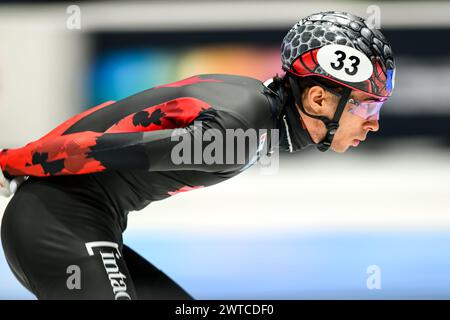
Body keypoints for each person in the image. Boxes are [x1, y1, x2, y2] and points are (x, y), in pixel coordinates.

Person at [0, 11, 395, 299]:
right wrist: (12, 161)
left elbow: (109, 115)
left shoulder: (253, 105)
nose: (373, 123)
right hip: (55, 222)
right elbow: (100, 149)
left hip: (83, 221)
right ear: (319, 97)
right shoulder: (238, 132)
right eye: (367, 106)